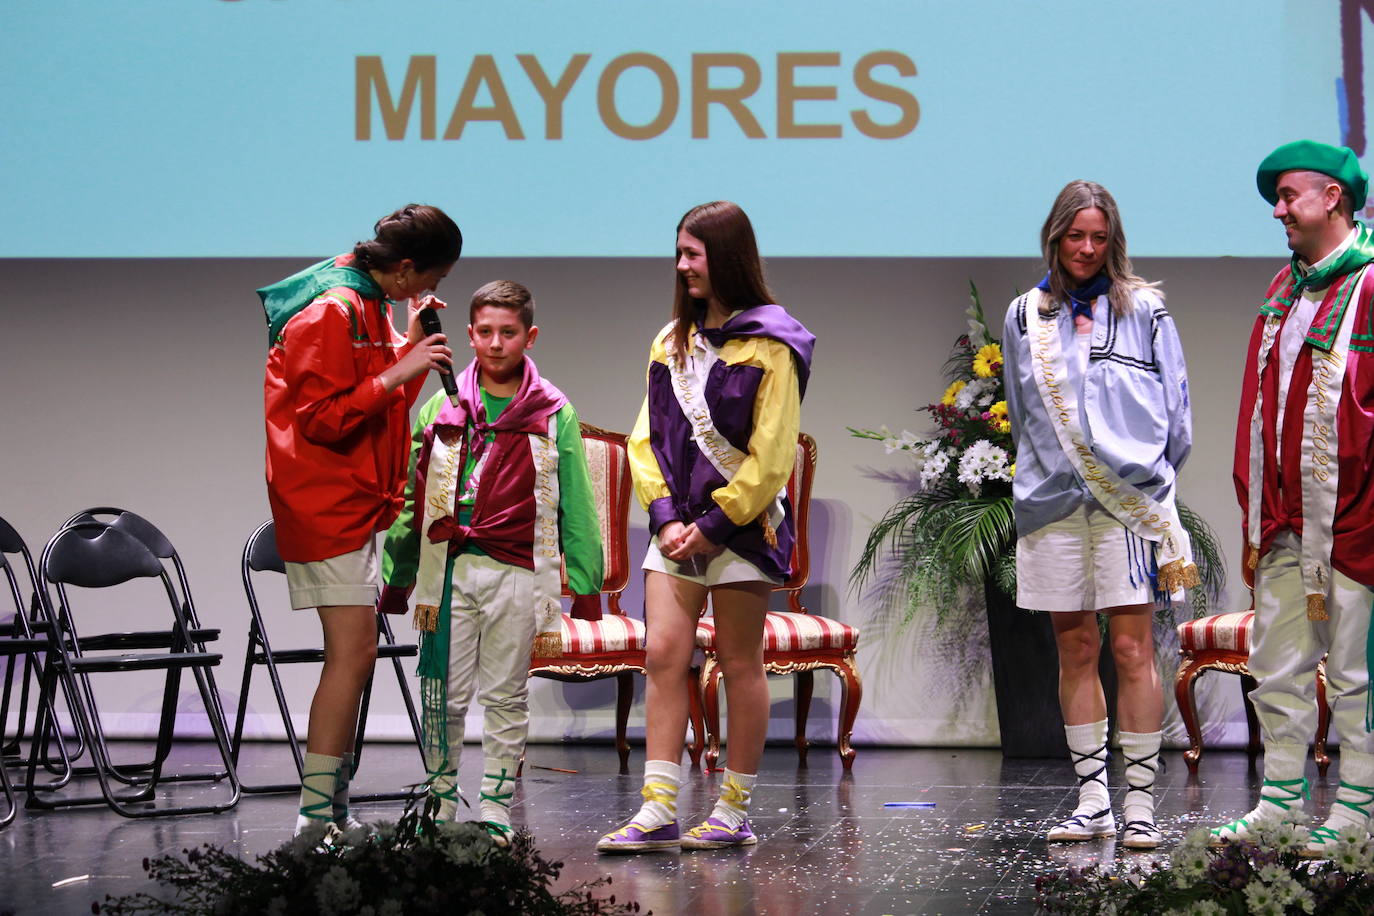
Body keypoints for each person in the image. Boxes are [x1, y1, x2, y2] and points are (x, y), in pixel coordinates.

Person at [597, 201, 815, 854]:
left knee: (739, 662)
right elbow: (645, 439)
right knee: (663, 655)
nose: (682, 265)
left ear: (726, 257)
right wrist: (665, 519)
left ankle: (733, 809)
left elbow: (774, 453)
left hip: (744, 530)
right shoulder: (671, 342)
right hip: (676, 532)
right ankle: (658, 806)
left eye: (692, 253)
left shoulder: (773, 345)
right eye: (679, 252)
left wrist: (717, 523)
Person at [1001, 180, 1196, 850]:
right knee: (1075, 647)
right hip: (1053, 504)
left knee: (1131, 648)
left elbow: (1177, 414)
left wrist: (1145, 477)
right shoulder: (1024, 314)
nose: (1086, 249)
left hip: (1128, 506)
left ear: (1113, 241)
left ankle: (1139, 801)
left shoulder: (1145, 309)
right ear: (1053, 235)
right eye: (1074, 236)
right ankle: (1092, 802)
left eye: (1099, 237)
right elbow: (1024, 415)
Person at [259, 203, 462, 836]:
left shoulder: (371, 304)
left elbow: (376, 400)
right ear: (404, 267)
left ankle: (330, 814)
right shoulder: (329, 309)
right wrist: (401, 366)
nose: (430, 294)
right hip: (323, 505)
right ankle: (314, 822)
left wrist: (406, 347)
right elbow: (319, 418)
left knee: (356, 653)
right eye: (428, 282)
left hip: (356, 501)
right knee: (350, 653)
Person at [379, 280, 603, 845]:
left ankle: (498, 806)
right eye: (484, 332)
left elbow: (573, 497)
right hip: (449, 568)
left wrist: (585, 576)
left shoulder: (553, 411)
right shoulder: (442, 404)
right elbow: (414, 493)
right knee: (444, 692)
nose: (496, 344)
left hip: (517, 569)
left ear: (530, 336)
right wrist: (398, 571)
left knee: (504, 694)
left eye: (508, 333)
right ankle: (439, 801)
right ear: (469, 335)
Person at [1213, 140, 1374, 857]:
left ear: (1332, 198)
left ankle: (1358, 811)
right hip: (1284, 523)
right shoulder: (1284, 293)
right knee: (1276, 669)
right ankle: (1279, 805)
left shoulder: (1370, 287)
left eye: (1289, 197)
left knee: (1354, 675)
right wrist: (1262, 507)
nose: (1278, 210)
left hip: (1354, 522)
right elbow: (1263, 407)